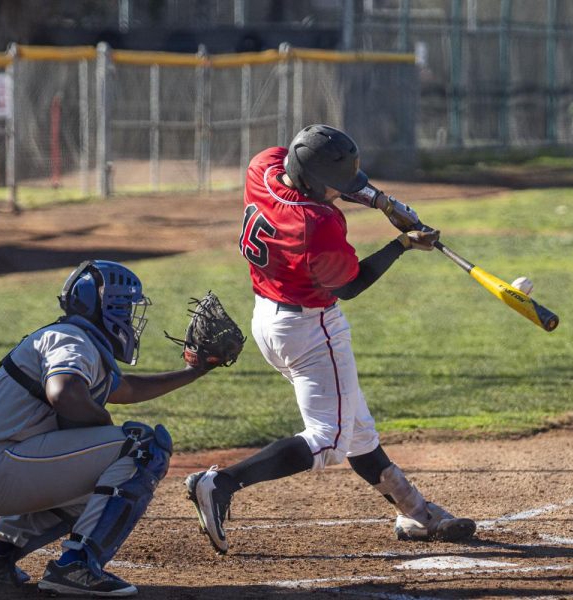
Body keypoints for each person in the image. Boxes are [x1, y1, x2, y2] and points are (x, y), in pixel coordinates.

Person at [185, 124, 476, 555]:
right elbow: (350, 285)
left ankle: (417, 513)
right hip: (310, 329)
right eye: (336, 187)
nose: (341, 192)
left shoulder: (263, 168)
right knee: (330, 438)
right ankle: (222, 482)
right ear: (312, 181)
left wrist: (381, 201)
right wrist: (403, 243)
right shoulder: (315, 223)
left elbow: (310, 170)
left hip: (269, 318)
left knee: (356, 429)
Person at [0, 260, 213, 596]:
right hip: (1, 466)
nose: (129, 318)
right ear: (106, 307)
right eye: (124, 307)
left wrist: (194, 371)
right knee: (142, 447)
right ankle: (75, 566)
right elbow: (63, 392)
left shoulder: (75, 340)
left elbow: (129, 390)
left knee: (107, 471)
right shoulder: (71, 340)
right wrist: (102, 428)